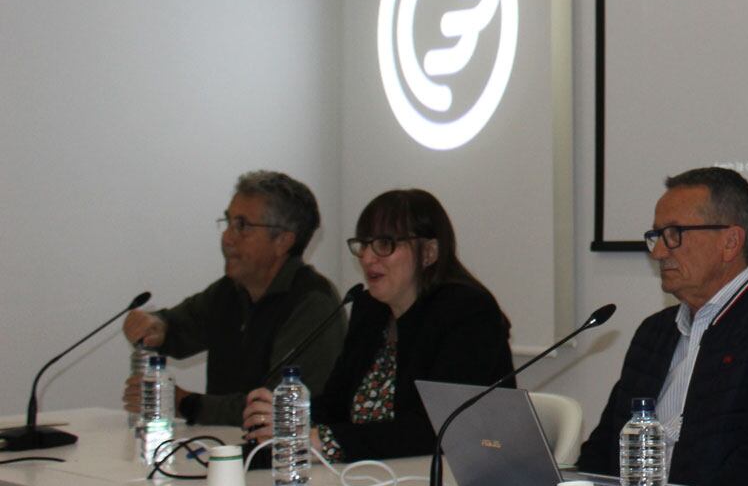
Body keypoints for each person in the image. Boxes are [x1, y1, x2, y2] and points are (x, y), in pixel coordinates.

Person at [574, 167, 748, 486]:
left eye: (675, 234)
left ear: (730, 242)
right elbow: (606, 446)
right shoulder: (654, 332)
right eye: (656, 236)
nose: (659, 252)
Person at [243, 189, 513, 461]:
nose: (367, 258)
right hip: (371, 476)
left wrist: (322, 442)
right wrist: (289, 417)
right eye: (364, 244)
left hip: (452, 476)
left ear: (429, 252)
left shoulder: (467, 312)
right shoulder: (370, 309)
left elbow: (434, 428)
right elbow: (336, 405)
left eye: (384, 244)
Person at [121, 171, 342, 427]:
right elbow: (177, 327)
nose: (227, 238)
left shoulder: (313, 303)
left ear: (282, 241)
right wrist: (154, 326)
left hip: (285, 459)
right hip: (222, 450)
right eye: (227, 223)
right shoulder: (230, 291)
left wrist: (182, 402)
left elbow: (276, 408)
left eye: (242, 226)